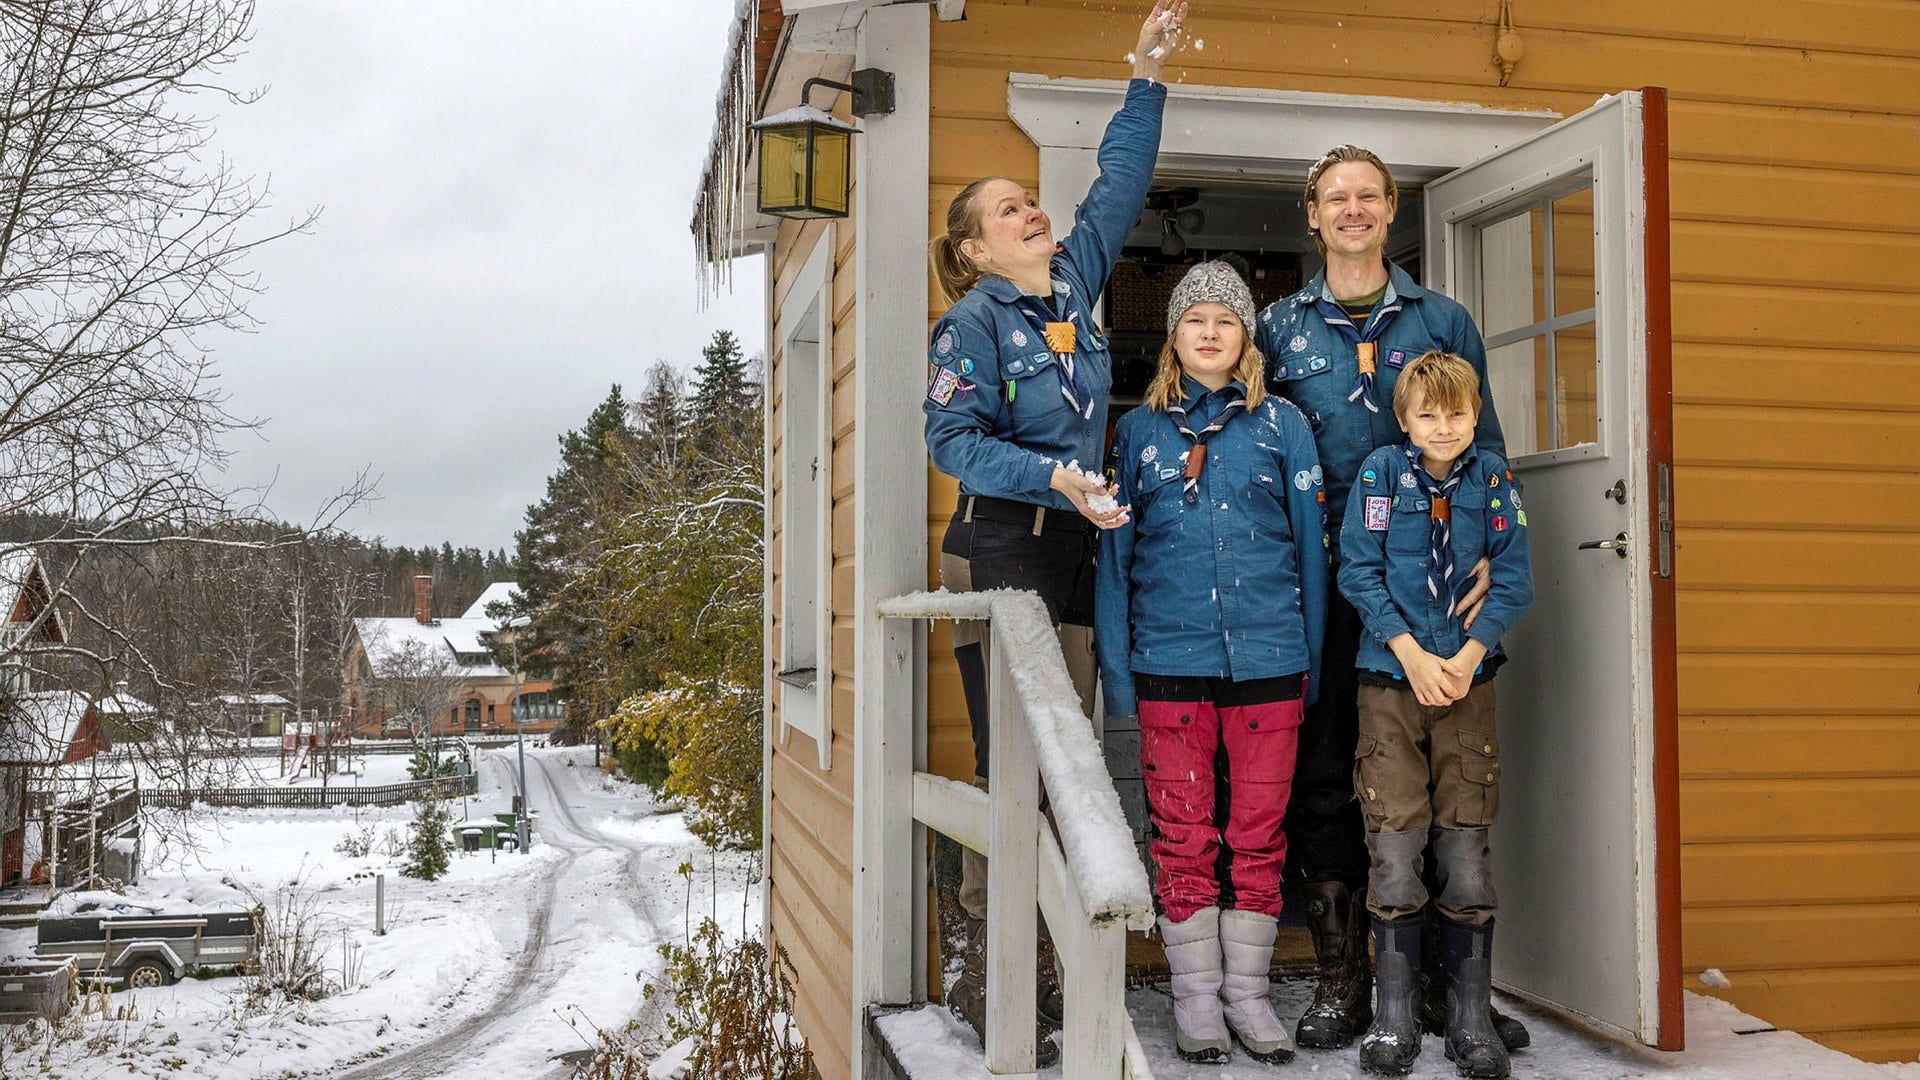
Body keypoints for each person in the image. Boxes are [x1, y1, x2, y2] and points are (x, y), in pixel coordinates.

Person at [921, 0, 1188, 1057]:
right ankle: (994, 967)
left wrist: (1147, 75)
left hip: (1076, 549)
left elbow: (1119, 181)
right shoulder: (972, 324)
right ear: (975, 248)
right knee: (1013, 763)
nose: (1032, 213)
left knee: (1070, 752)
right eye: (1010, 209)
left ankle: (1059, 952)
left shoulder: (1075, 281)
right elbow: (952, 440)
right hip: (1001, 546)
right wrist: (1058, 476)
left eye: (1032, 201)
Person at [1252, 145, 1529, 1053]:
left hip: (1437, 591)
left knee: (1453, 783)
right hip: (1321, 585)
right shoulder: (1280, 325)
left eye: (1369, 195)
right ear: (1312, 213)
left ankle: (1453, 992)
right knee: (1331, 774)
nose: (1353, 208)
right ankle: (1348, 983)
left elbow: (1485, 449)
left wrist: (1492, 549)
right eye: (1336, 196)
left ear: (1391, 208)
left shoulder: (1441, 317)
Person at [1095, 260, 1327, 1064]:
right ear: (1173, 334)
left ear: (1245, 336)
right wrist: (1120, 673)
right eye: (1194, 318)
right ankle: (1196, 1001)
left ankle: (1249, 997)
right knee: (1184, 836)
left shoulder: (1283, 427)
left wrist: (1313, 664)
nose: (1209, 331)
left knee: (1257, 836)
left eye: (1225, 320)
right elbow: (1115, 559)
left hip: (1270, 659)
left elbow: (1310, 555)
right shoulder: (1137, 434)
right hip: (1170, 660)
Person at [1336, 351, 1533, 1078]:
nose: (1443, 427)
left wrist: (1469, 655)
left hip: (1468, 684)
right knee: (1394, 843)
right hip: (1392, 682)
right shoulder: (1382, 476)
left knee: (1465, 849)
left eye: (1456, 413)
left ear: (1476, 414)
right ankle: (1395, 1014)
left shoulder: (1492, 479)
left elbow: (1514, 578)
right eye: (1428, 414)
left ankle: (1468, 1013)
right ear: (1404, 419)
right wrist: (1413, 654)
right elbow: (1358, 566)